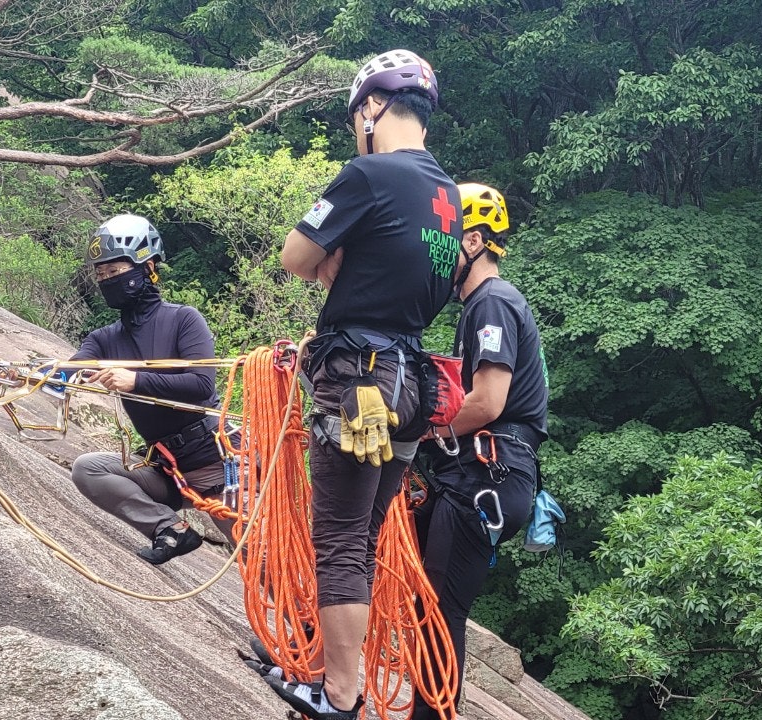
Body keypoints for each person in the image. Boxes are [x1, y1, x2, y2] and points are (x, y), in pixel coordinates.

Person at [262, 49, 462, 720]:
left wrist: (332, 277)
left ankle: (338, 695)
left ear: (373, 107)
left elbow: (295, 254)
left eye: (358, 115)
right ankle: (329, 669)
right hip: (412, 384)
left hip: (358, 379)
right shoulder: (450, 199)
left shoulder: (369, 173)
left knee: (341, 537)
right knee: (366, 536)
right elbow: (412, 276)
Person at [409, 183, 547, 720]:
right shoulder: (480, 308)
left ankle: (433, 714)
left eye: (446, 242)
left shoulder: (491, 302)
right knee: (397, 569)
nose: (439, 255)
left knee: (441, 609)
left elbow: (488, 402)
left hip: (487, 476)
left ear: (473, 239)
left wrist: (426, 428)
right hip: (477, 474)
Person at [68, 214, 237, 565]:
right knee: (88, 468)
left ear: (147, 267)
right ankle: (171, 530)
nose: (107, 281)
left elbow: (201, 384)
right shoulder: (104, 338)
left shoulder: (184, 320)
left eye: (115, 272)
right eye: (101, 275)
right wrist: (28, 374)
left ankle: (306, 618)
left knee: (262, 558)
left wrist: (135, 380)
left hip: (213, 461)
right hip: (165, 468)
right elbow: (71, 367)